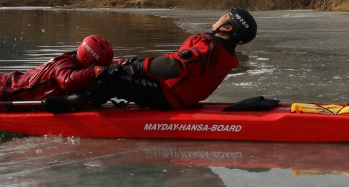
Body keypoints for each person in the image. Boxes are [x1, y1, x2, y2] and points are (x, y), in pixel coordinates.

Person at [42, 8, 257, 112]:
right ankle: (90, 93)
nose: (220, 17)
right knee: (124, 65)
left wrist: (137, 68)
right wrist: (134, 64)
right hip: (174, 93)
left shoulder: (211, 48)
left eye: (224, 17)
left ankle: (75, 102)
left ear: (227, 27)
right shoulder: (222, 51)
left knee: (113, 79)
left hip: (168, 95)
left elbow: (174, 66)